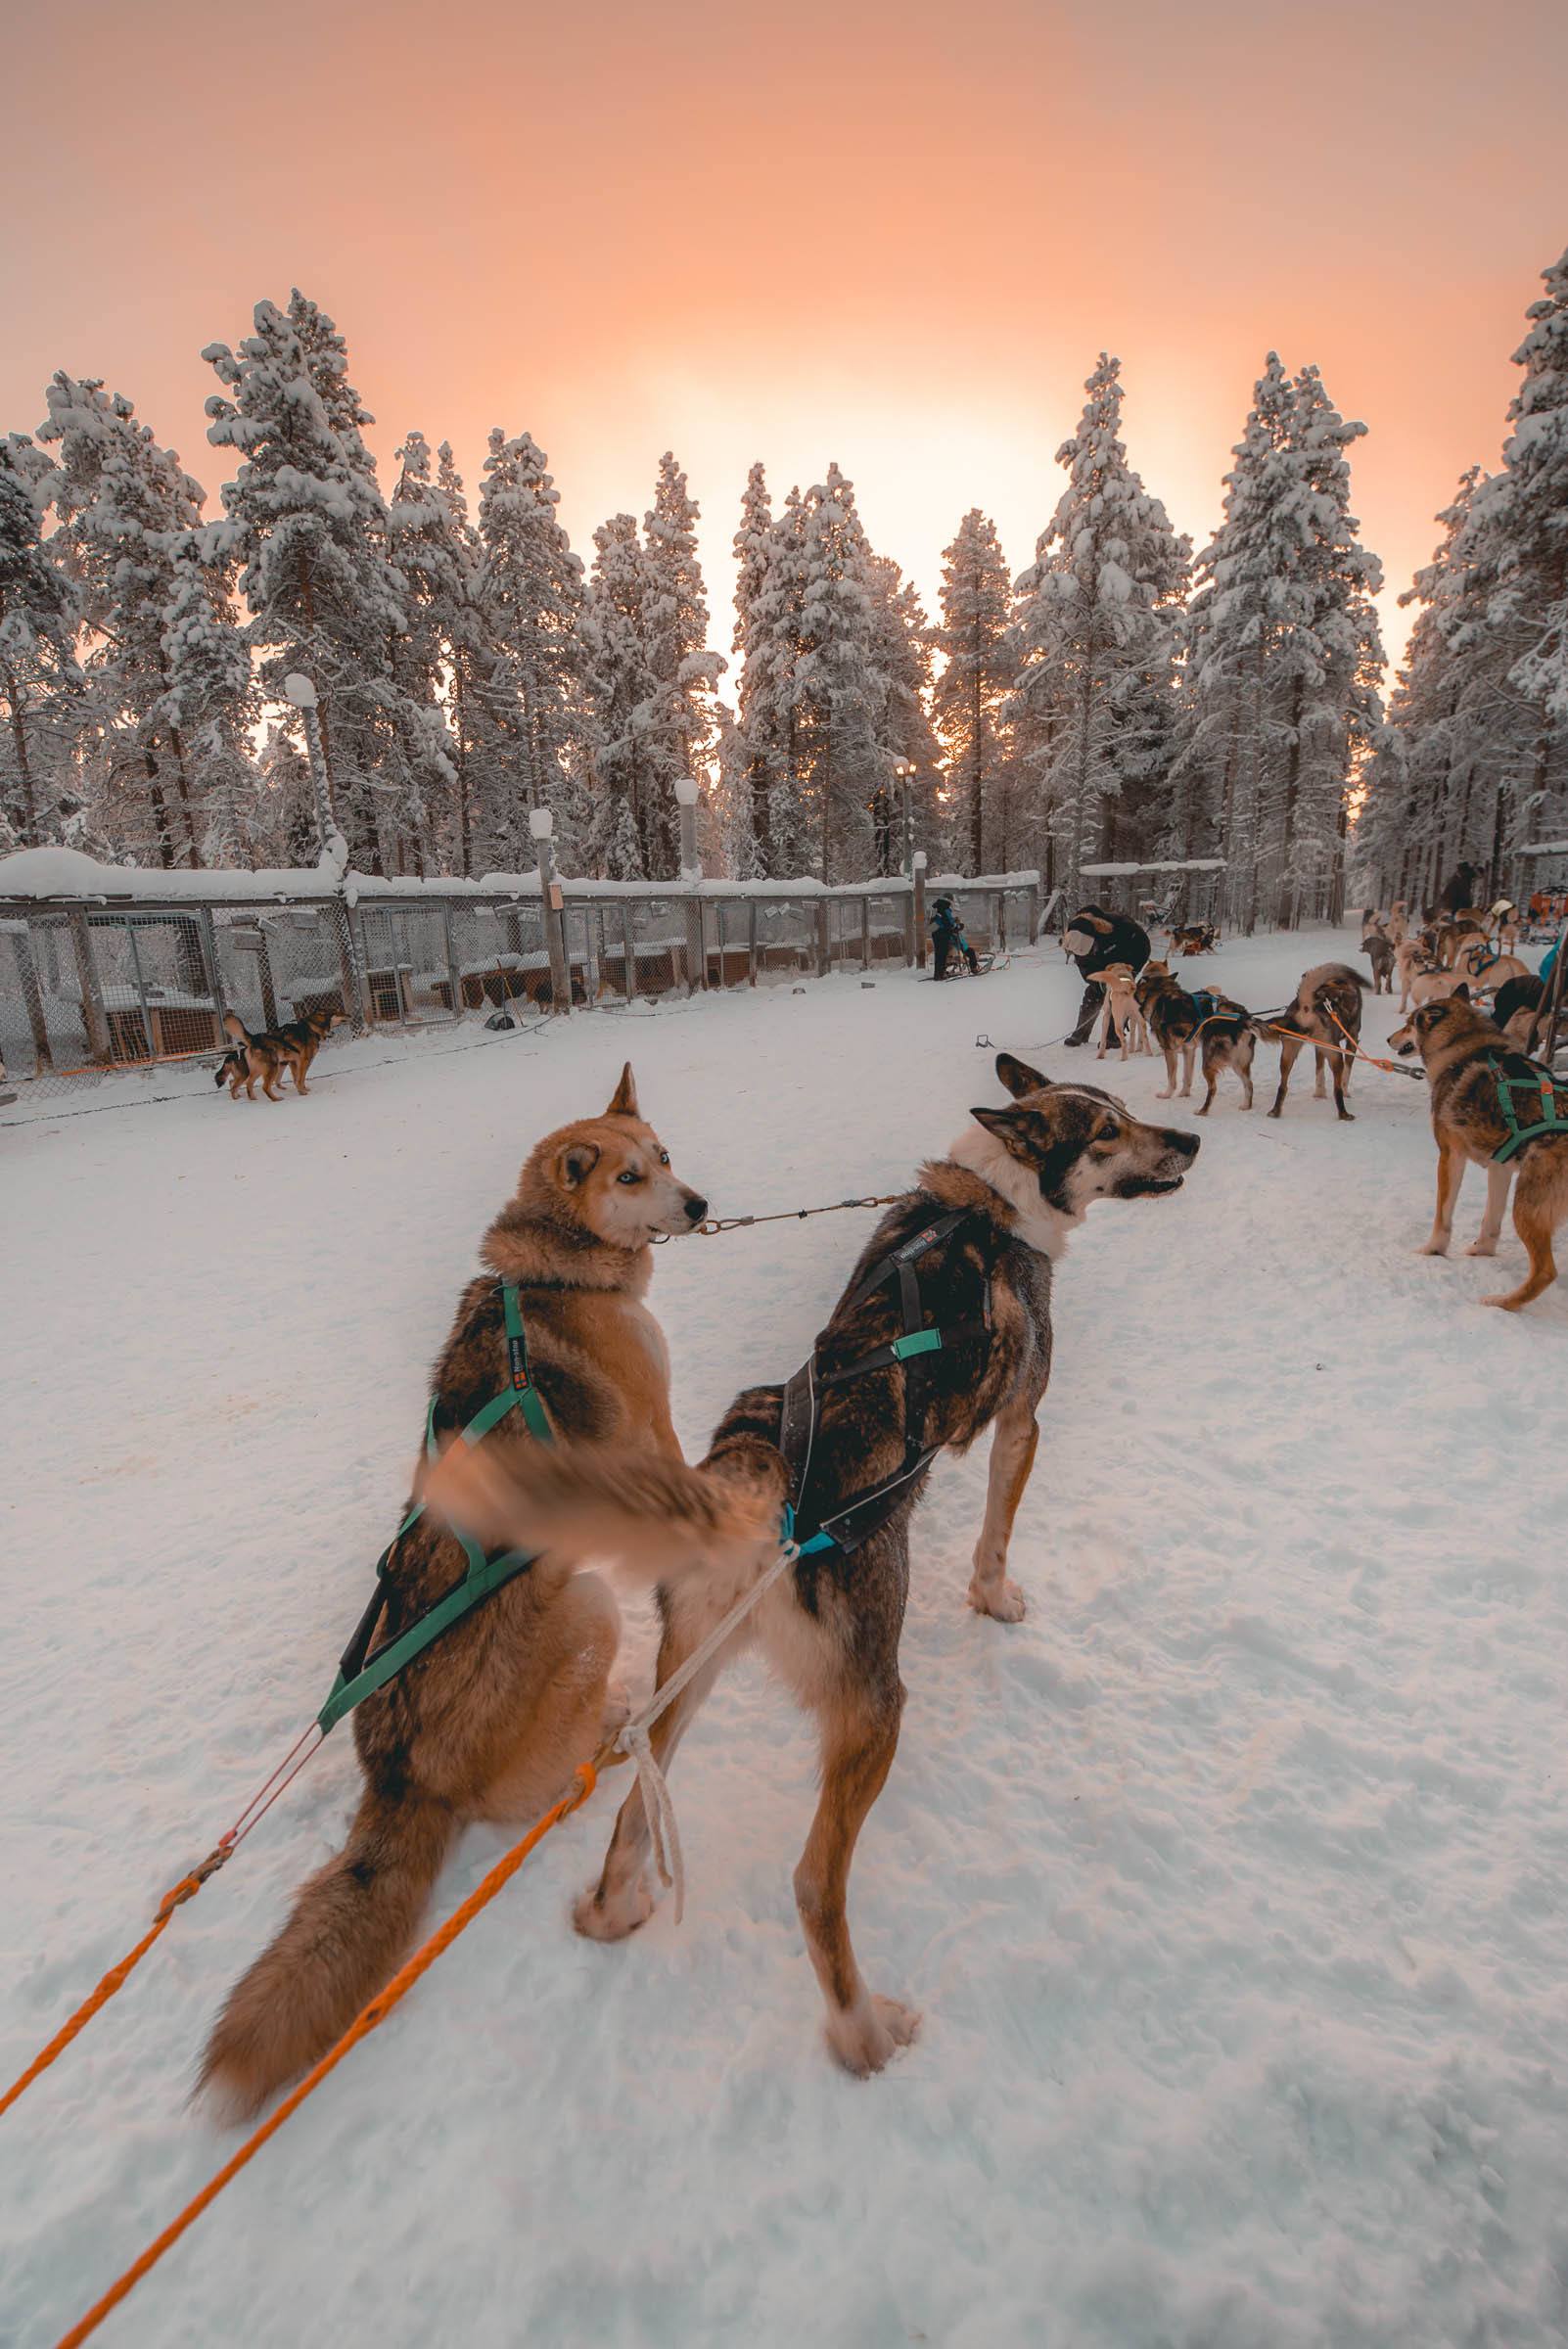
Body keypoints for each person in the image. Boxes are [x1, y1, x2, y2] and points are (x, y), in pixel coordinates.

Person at [1061, 902, 1151, 1046]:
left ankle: (1114, 1037)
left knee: (1120, 994)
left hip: (1129, 958)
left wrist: (1130, 970)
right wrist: (1099, 984)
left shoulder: (1120, 926)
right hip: (1102, 964)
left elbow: (1142, 945)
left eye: (1092, 949)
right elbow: (1086, 970)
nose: (1090, 953)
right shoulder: (1076, 940)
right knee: (1093, 994)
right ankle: (1081, 1033)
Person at [930, 896, 980, 980]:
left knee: (939, 955)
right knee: (943, 955)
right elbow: (949, 924)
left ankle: (938, 973)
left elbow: (945, 921)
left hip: (936, 934)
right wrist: (957, 926)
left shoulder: (937, 907)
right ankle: (941, 974)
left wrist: (954, 924)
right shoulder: (944, 908)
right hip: (944, 935)